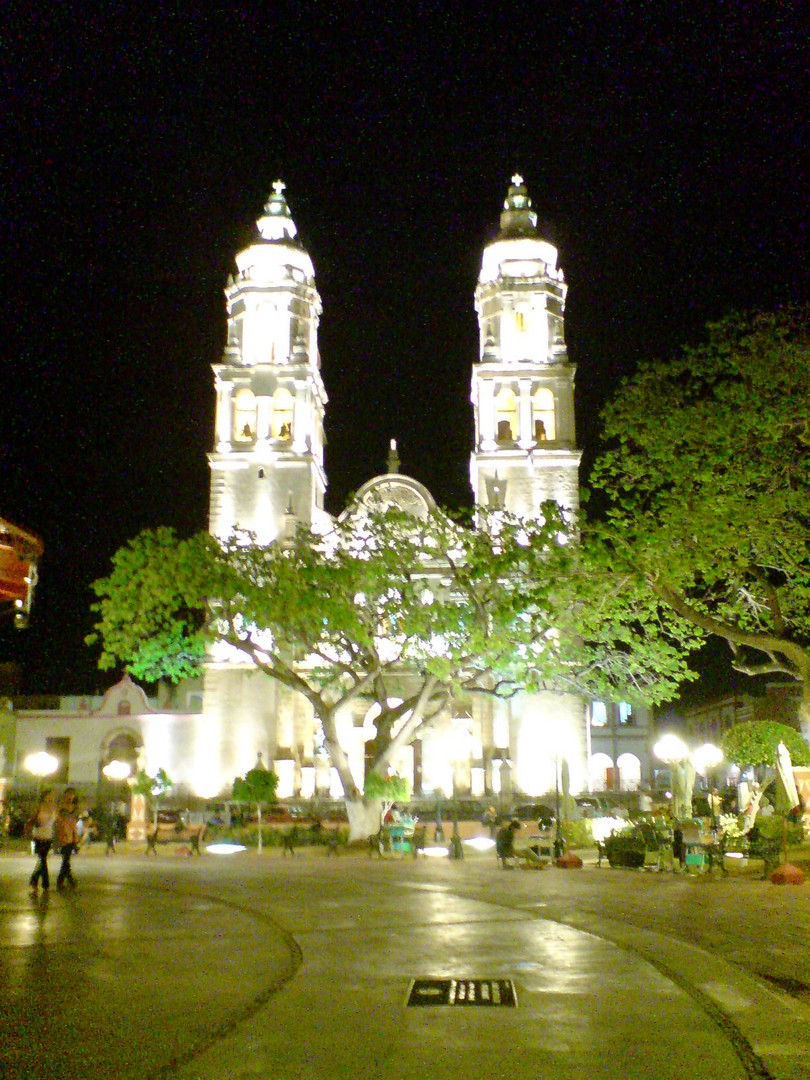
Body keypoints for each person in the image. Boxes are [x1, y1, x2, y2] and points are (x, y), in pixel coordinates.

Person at [29, 790, 57, 895]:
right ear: (44, 797)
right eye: (48, 796)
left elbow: (55, 823)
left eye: (51, 796)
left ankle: (35, 879)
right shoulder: (39, 807)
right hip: (39, 834)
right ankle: (45, 883)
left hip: (48, 835)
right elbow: (33, 819)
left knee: (43, 858)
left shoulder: (54, 808)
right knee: (43, 858)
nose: (50, 798)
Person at [55, 788, 79, 890]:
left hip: (71, 837)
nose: (70, 796)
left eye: (72, 794)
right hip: (63, 837)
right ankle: (63, 880)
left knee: (66, 860)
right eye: (69, 794)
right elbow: (57, 823)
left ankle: (68, 879)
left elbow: (74, 825)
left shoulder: (75, 807)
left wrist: (75, 839)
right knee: (66, 860)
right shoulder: (60, 807)